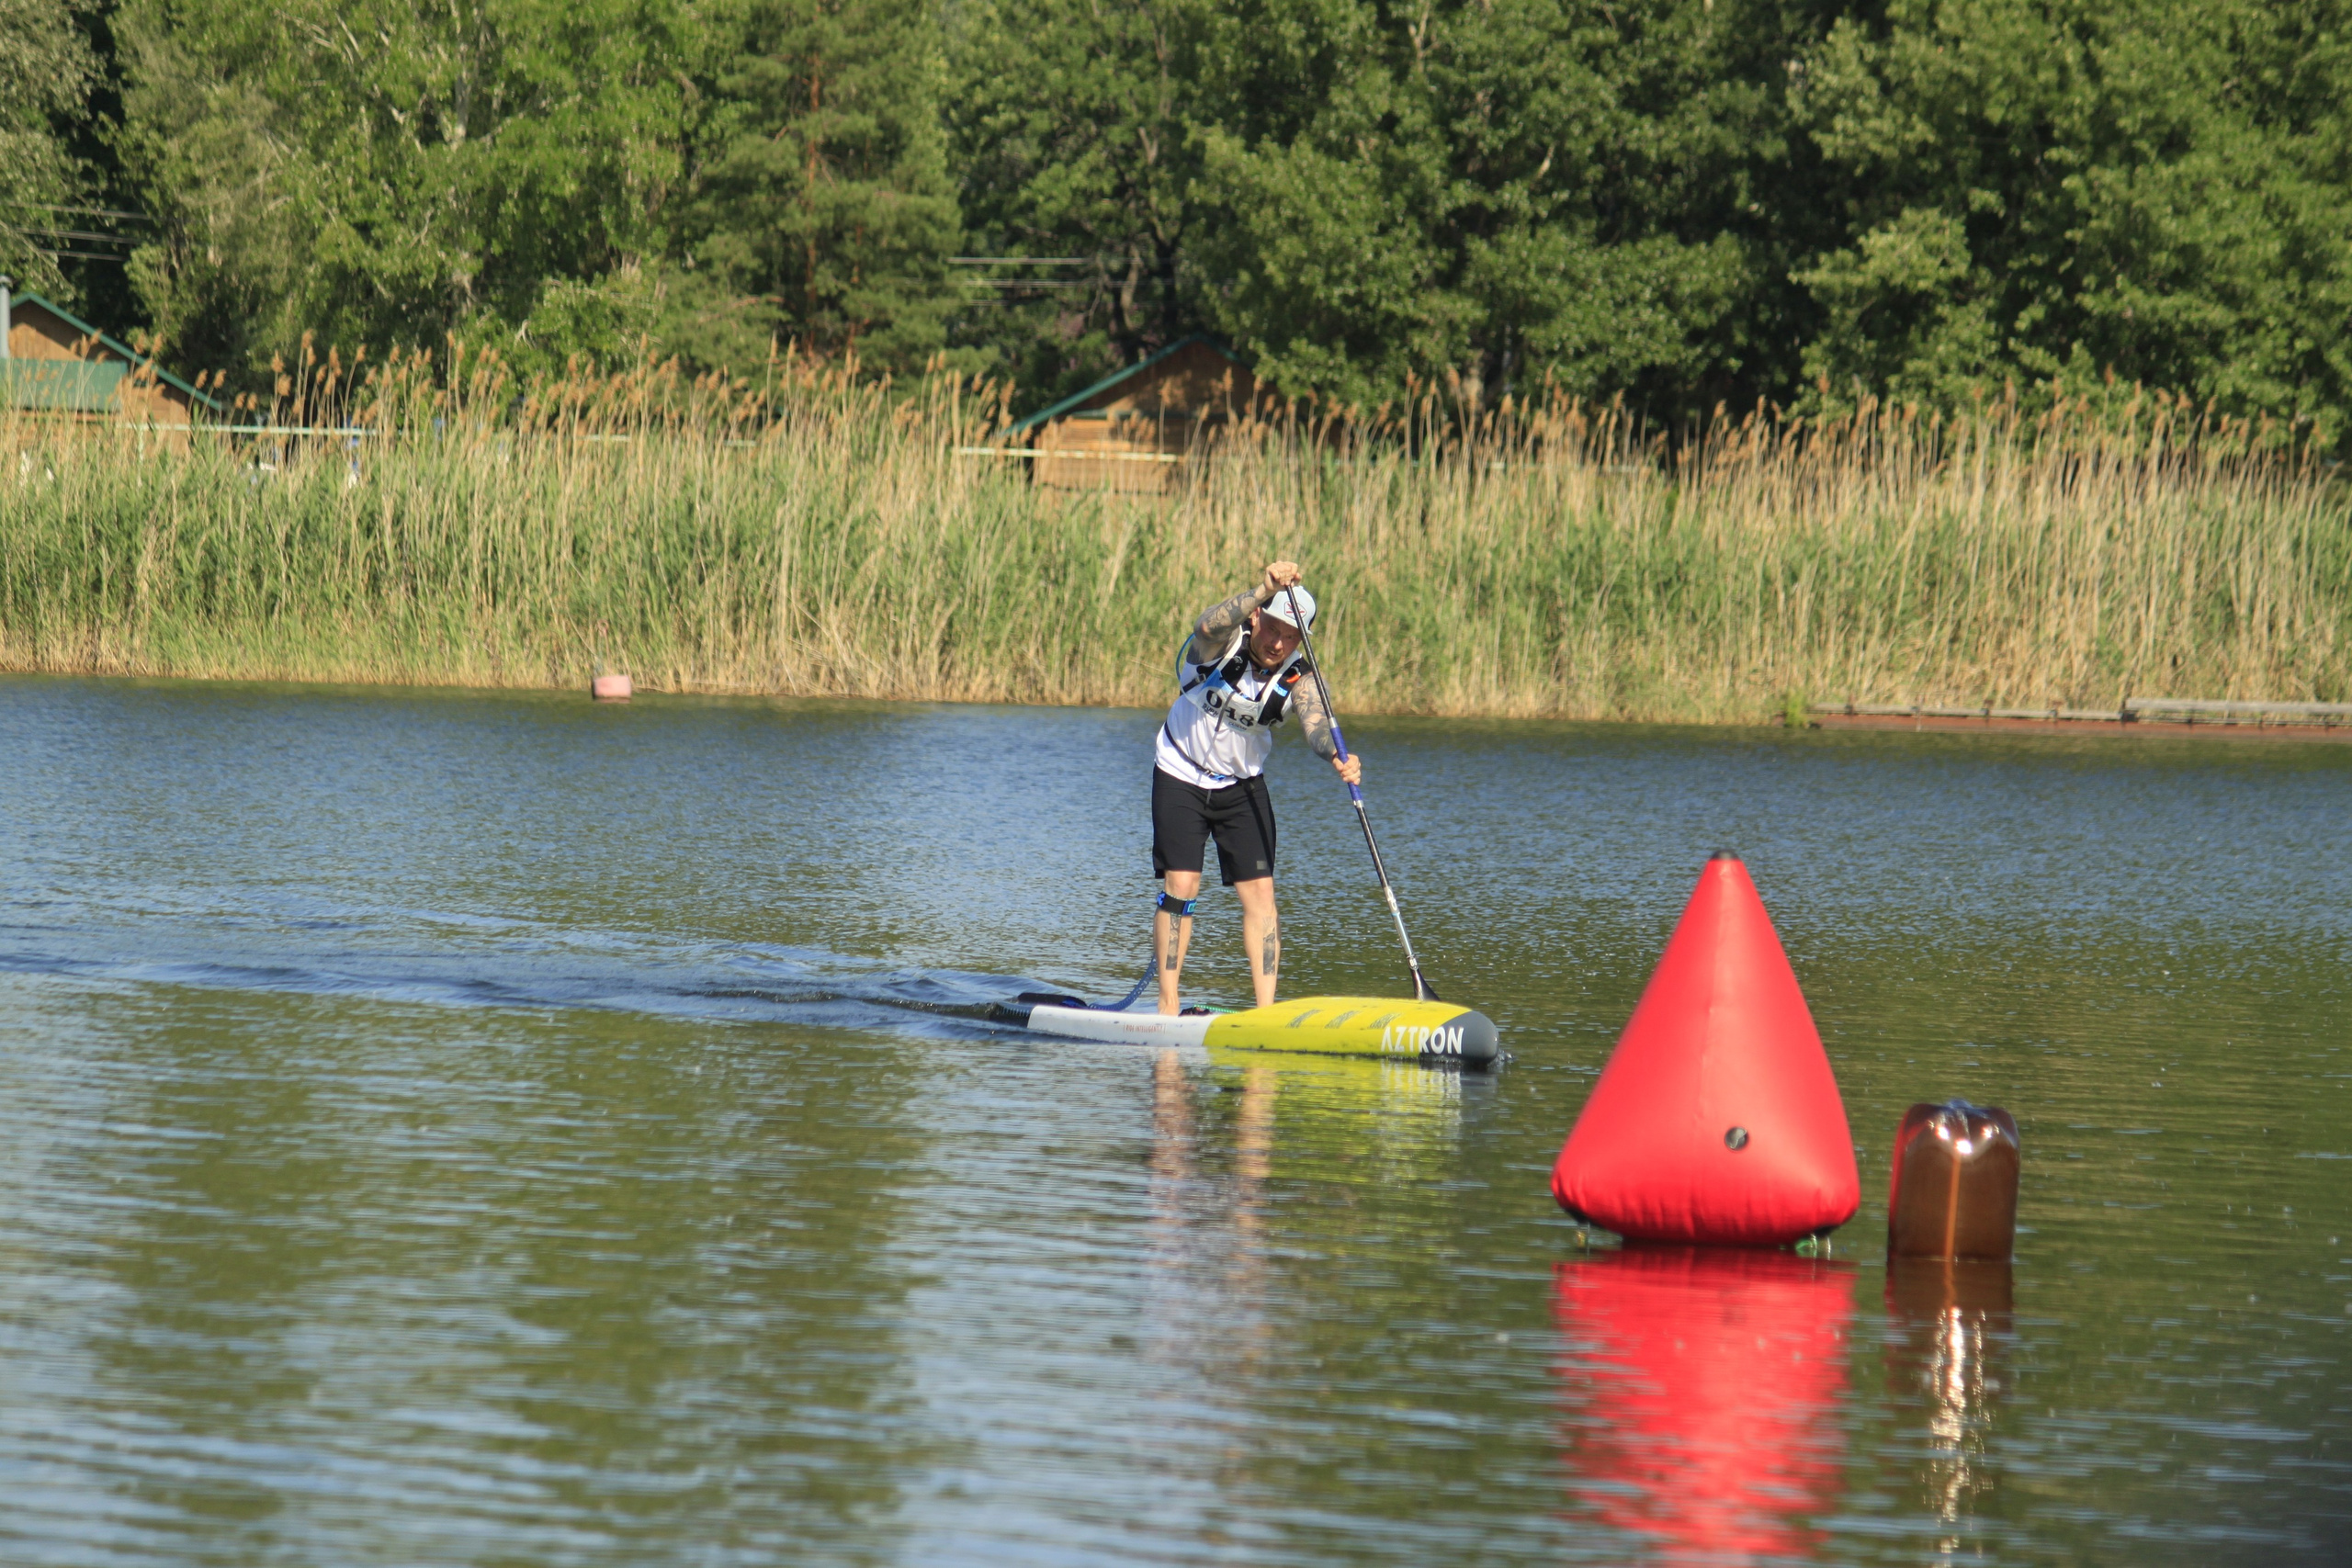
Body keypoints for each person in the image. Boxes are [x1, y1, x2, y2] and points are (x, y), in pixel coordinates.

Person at [1151, 559, 1361, 1014]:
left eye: (1291, 636)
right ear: (1256, 618)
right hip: (1180, 772)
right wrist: (1263, 588)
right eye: (1274, 628)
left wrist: (1337, 755)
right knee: (1183, 883)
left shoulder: (1301, 678)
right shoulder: (1223, 641)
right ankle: (1168, 1005)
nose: (1278, 643)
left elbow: (1316, 725)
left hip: (1241, 785)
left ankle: (1266, 1013)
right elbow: (1205, 625)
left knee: (1262, 895)